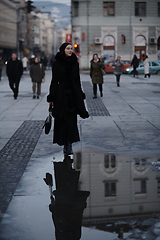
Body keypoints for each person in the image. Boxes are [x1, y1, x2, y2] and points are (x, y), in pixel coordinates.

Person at [47, 42, 89, 156]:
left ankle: (69, 143)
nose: (70, 50)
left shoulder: (75, 63)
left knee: (71, 119)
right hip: (61, 95)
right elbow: (54, 81)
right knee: (61, 119)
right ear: (63, 50)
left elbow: (77, 80)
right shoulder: (57, 64)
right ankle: (64, 141)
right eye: (68, 48)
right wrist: (51, 96)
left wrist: (80, 94)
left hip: (72, 95)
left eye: (71, 48)